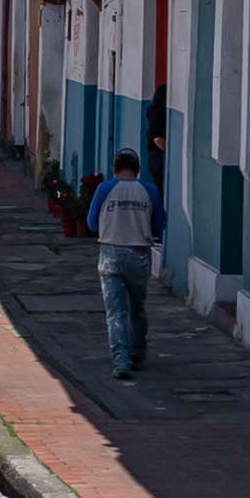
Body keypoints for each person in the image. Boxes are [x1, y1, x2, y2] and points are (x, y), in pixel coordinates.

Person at [88, 149, 160, 382]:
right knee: (138, 308)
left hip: (110, 252)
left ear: (114, 169)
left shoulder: (104, 189)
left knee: (115, 312)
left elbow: (91, 222)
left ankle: (121, 361)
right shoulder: (149, 190)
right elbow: (159, 223)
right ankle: (138, 353)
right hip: (139, 253)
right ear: (139, 168)